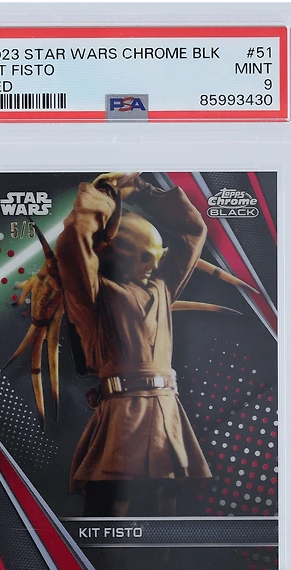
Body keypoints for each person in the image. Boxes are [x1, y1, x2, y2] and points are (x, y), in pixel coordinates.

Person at [55, 172, 212, 519]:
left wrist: (143, 191)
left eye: (157, 256)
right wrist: (103, 196)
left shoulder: (160, 288)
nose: (154, 265)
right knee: (110, 509)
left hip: (166, 412)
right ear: (116, 253)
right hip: (122, 414)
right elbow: (73, 245)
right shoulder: (94, 295)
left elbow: (192, 231)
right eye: (144, 256)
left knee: (164, 513)